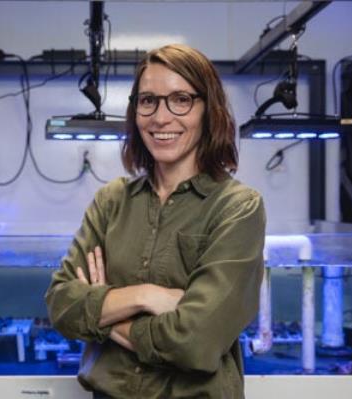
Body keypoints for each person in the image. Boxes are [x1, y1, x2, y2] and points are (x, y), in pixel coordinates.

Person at [45, 43, 266, 399]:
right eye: (148, 101)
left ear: (208, 110)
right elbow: (62, 305)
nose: (161, 118)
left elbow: (196, 339)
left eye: (180, 99)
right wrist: (147, 296)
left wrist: (104, 309)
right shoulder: (111, 201)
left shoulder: (238, 207)